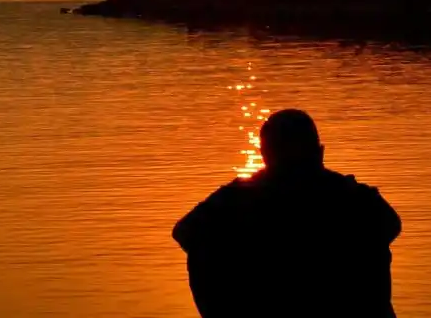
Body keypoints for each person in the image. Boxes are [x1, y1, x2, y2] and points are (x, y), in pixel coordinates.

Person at [172, 109, 401, 318]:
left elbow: (185, 232)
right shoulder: (353, 196)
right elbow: (391, 225)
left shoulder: (236, 197)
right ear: (319, 152)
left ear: (265, 155)